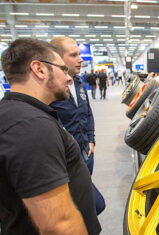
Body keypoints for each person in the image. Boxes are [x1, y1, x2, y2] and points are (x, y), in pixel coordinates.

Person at [0, 38, 101, 235]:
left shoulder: (25, 114)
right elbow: (59, 225)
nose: (69, 78)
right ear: (39, 69)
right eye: (63, 70)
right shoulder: (31, 127)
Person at [50, 36, 105, 215]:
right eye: (73, 55)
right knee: (93, 206)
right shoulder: (50, 89)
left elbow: (87, 113)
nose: (80, 59)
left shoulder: (79, 82)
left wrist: (91, 139)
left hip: (86, 151)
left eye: (80, 54)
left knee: (83, 204)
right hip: (67, 160)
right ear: (57, 58)